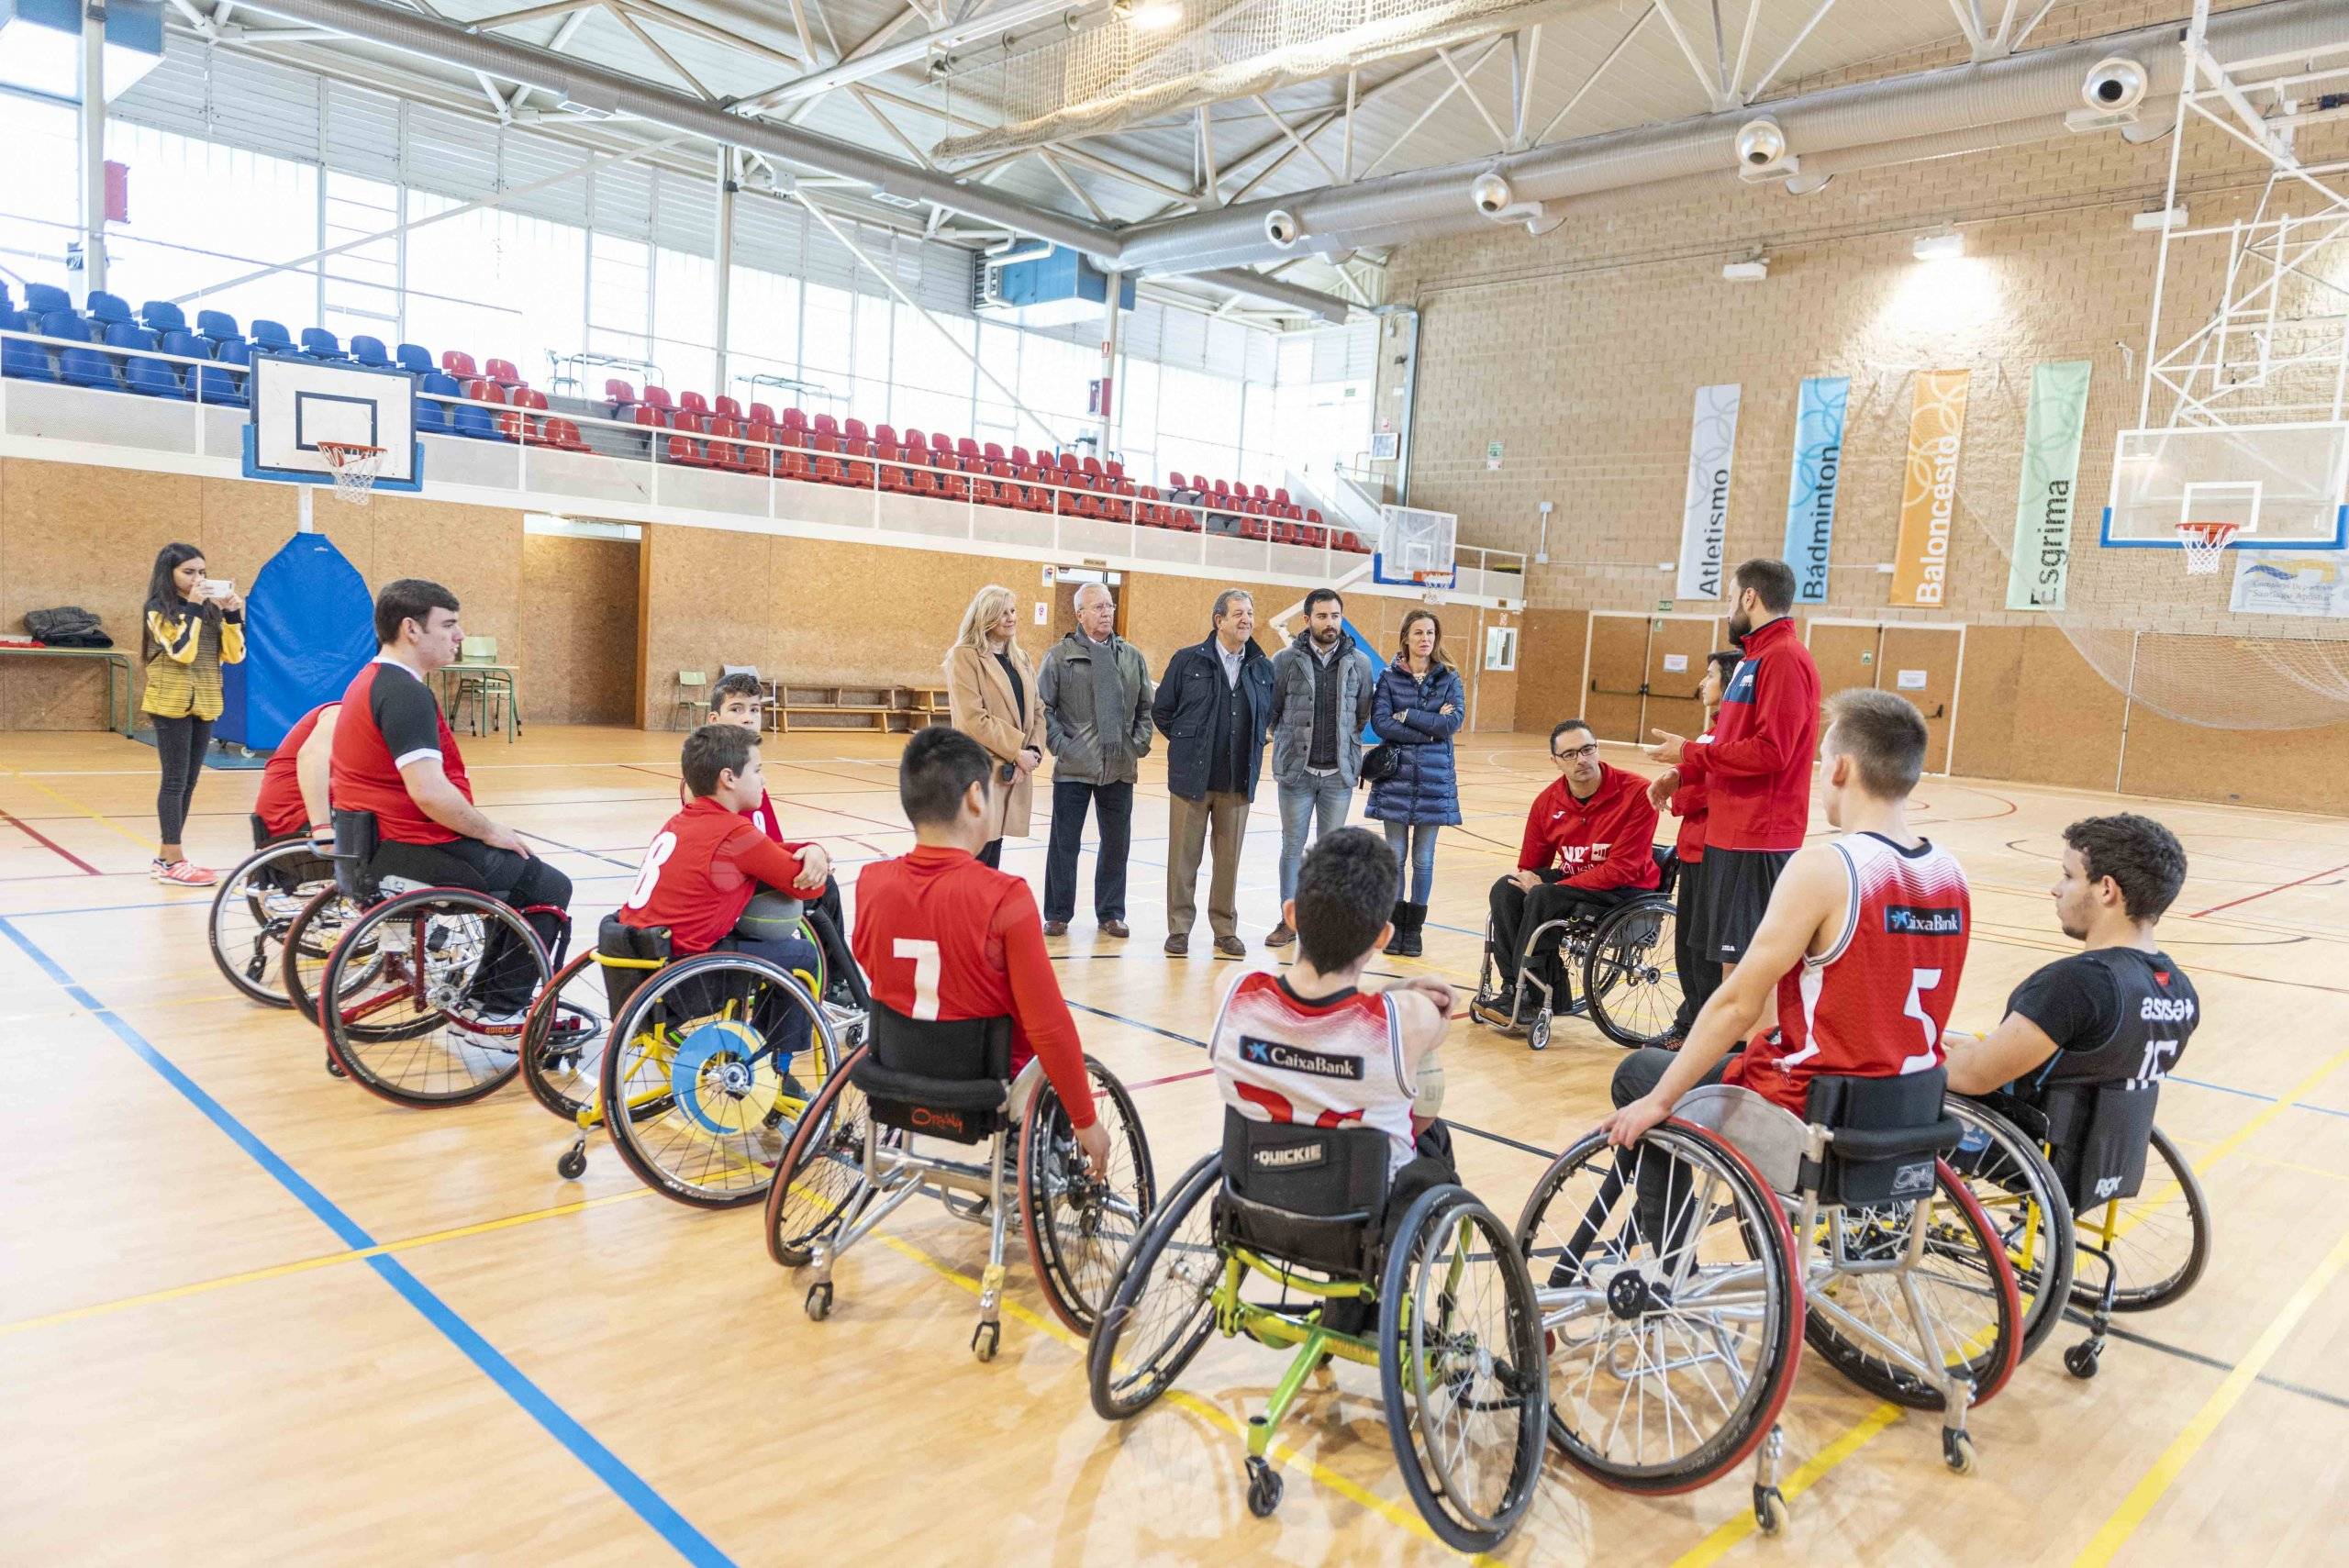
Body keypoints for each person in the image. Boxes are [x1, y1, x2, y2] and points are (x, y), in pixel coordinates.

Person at [1605, 688, 1967, 1148]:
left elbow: (1738, 1003)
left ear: (1840, 768)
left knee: (1640, 1077)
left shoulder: (1827, 867)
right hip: (1913, 1103)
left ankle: (1663, 1222)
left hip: (1817, 1107)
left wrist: (1660, 1100)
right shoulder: (1950, 873)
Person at [1208, 827, 1457, 1329]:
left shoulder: (1232, 992)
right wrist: (1401, 989)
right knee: (1434, 1140)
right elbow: (1432, 1025)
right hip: (1358, 1229)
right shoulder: (1401, 1020)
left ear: (1292, 913)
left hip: (1254, 1207)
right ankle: (1370, 1304)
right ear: (1383, 936)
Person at [852, 726, 1111, 1173]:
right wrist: (1085, 1119)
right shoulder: (1003, 896)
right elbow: (1048, 1024)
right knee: (1038, 1032)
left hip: (892, 1072)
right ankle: (1023, 1148)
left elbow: (874, 967)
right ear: (976, 796)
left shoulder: (871, 883)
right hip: (984, 1085)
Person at [330, 578, 573, 1026]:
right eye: (449, 624)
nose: (459, 636)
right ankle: (497, 1011)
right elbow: (429, 792)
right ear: (411, 629)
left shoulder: (370, 681)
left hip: (369, 844)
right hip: (412, 849)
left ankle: (485, 993)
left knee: (514, 874)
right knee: (548, 887)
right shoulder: (404, 693)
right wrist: (489, 830)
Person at [1944, 814, 2198, 1134]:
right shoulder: (2179, 989)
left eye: (2068, 876)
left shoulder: (2079, 984)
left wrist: (1924, 1057)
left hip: (2028, 1142)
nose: (2056, 889)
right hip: (2103, 1155)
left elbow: (1974, 1077)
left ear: (2106, 889)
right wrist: (1986, 1050)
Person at [1643, 559, 1821, 1011]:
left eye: (1729, 598)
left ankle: (1745, 1068)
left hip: (1758, 837)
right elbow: (1731, 741)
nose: (1727, 610)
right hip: (1729, 833)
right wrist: (1682, 773)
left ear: (1749, 597)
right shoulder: (1754, 658)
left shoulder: (1783, 658)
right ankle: (1724, 1060)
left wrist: (1688, 752)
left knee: (1747, 971)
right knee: (1725, 969)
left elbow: (1772, 751)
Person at [617, 723, 830, 1073]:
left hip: (634, 963)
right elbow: (810, 888)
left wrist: (810, 848)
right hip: (687, 978)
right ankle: (776, 1068)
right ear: (729, 778)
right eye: (758, 770)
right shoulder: (735, 832)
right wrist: (816, 854)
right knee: (803, 956)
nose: (763, 780)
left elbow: (764, 852)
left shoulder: (680, 821)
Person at [1471, 718, 1661, 1029]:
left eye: (1587, 750)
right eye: (1570, 754)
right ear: (1555, 761)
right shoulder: (1547, 802)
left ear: (1598, 750)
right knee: (1507, 888)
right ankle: (1514, 987)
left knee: (1545, 894)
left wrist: (1553, 886)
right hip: (1576, 883)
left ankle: (1530, 996)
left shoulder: (1638, 792)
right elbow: (1530, 866)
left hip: (1626, 888)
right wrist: (1531, 881)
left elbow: (1623, 867)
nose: (1581, 760)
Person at [702, 670, 855, 994]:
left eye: (754, 710)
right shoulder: (712, 778)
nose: (747, 718)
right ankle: (838, 982)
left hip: (755, 869)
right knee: (822, 885)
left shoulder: (750, 773)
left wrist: (808, 849)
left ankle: (834, 978)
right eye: (737, 709)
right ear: (714, 718)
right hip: (735, 886)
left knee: (819, 872)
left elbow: (768, 842)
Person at [1153, 589, 1275, 958]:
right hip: (1192, 778)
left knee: (1228, 860)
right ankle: (1179, 929)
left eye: (1250, 614)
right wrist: (1188, 745)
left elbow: (1268, 714)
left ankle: (1224, 928)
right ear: (1218, 620)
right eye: (1238, 613)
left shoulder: (1262, 666)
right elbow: (1163, 711)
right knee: (1183, 858)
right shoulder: (1187, 660)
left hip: (1238, 779)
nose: (1246, 620)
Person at [1036, 582, 1154, 940]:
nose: (1106, 612)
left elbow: (1146, 708)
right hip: (1074, 766)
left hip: (1120, 766)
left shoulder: (1131, 656)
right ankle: (1058, 913)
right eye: (1098, 607)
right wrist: (1061, 745)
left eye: (1109, 606)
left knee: (1117, 843)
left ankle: (1111, 913)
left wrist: (1138, 744)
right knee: (1064, 843)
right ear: (1080, 614)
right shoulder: (1060, 656)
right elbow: (1043, 708)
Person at [1265, 588, 1375, 949]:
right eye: (1323, 616)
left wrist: (1345, 747)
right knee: (1292, 848)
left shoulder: (1359, 662)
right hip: (1296, 772)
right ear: (1307, 620)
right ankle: (1289, 920)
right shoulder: (1284, 660)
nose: (1330, 623)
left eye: (1336, 616)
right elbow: (1273, 710)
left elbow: (1361, 714)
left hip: (1337, 776)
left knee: (1330, 853)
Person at [1652, 648, 1744, 1043]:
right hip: (1691, 850)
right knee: (1688, 945)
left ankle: (1701, 1031)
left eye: (1710, 675)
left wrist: (1684, 786)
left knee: (1705, 951)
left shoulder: (1727, 739)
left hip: (1714, 852)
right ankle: (1690, 1021)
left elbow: (1695, 797)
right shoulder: (1709, 734)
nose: (1702, 683)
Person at [141, 542, 246, 886]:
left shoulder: (210, 610)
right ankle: (173, 859)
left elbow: (234, 656)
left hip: (205, 701)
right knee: (174, 781)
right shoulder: (158, 609)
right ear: (168, 574)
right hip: (170, 701)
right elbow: (182, 652)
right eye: (189, 572)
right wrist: (194, 608)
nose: (198, 578)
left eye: (202, 571)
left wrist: (232, 614)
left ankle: (165, 857)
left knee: (189, 781)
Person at [1364, 608, 1464, 958]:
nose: (1425, 639)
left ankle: (1414, 929)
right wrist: (1430, 725)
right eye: (1419, 633)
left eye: (1431, 634)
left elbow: (1452, 726)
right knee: (1394, 857)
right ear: (1406, 636)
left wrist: (1409, 716)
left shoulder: (1449, 678)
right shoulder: (1389, 678)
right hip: (1395, 780)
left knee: (1423, 859)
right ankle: (1394, 927)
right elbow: (1380, 724)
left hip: (1435, 782)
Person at [944, 584, 1047, 869]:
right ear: (985, 616)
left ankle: (985, 913)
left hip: (1013, 771)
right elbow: (973, 718)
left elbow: (1038, 709)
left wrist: (1034, 750)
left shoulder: (1021, 658)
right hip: (980, 769)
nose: (1011, 618)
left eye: (1013, 611)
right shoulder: (964, 657)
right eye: (1002, 613)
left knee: (994, 855)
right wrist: (1017, 752)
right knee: (974, 857)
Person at [253, 701, 340, 845]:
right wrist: (321, 827)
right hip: (295, 824)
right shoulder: (336, 714)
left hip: (286, 823)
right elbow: (311, 756)